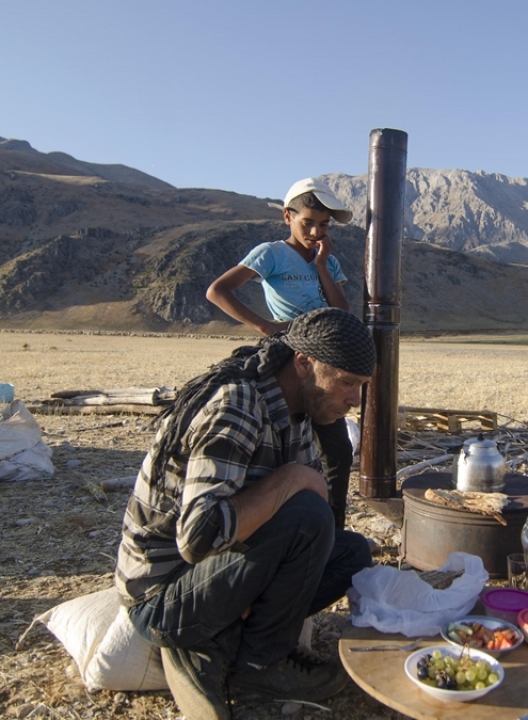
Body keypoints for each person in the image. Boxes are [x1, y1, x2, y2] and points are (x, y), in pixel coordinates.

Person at [115, 307, 376, 720]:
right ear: (304, 363)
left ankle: (226, 640)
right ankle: (260, 665)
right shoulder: (237, 405)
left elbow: (311, 513)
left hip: (217, 571)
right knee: (306, 513)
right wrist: (290, 480)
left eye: (361, 387)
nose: (354, 399)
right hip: (165, 593)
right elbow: (198, 537)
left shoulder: (296, 408)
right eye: (346, 382)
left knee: (352, 554)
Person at [207, 178, 356, 530]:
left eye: (324, 225)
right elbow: (218, 291)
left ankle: (331, 531)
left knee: (336, 450)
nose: (317, 231)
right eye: (308, 223)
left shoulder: (328, 261)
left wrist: (322, 266)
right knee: (283, 445)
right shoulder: (271, 253)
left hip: (324, 360)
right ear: (287, 217)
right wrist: (264, 327)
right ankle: (267, 526)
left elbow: (343, 311)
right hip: (286, 357)